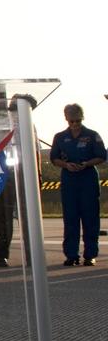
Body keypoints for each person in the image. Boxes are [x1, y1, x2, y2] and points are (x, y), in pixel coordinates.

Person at [50, 103, 105, 267]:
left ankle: (90, 255)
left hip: (87, 178)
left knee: (90, 218)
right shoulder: (60, 137)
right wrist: (66, 165)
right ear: (66, 119)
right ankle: (71, 254)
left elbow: (102, 156)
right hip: (69, 179)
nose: (75, 124)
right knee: (71, 219)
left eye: (78, 121)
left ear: (82, 118)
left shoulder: (92, 135)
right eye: (72, 121)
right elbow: (54, 158)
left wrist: (87, 163)